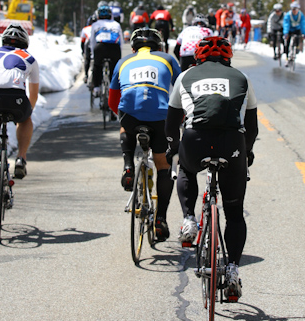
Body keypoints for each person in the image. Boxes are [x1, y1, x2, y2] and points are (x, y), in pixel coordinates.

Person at [165, 35, 258, 301]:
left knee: (185, 170)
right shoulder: (241, 77)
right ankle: (232, 271)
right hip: (232, 143)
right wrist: (246, 153)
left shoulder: (185, 76)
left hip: (195, 140)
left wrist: (173, 149)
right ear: (228, 58)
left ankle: (189, 220)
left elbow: (171, 124)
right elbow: (251, 126)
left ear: (198, 57)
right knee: (234, 212)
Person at [108, 27, 181, 241]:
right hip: (161, 117)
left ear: (133, 47)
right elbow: (181, 90)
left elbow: (113, 99)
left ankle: (128, 166)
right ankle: (161, 219)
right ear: (160, 47)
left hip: (130, 116)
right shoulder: (168, 59)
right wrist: (179, 120)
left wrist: (123, 116)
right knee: (163, 166)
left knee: (125, 125)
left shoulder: (123, 62)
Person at [0, 22, 39, 220]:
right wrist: (25, 115)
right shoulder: (29, 58)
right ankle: (21, 157)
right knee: (26, 119)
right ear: (24, 43)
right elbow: (33, 94)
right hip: (17, 99)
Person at [90, 5, 123, 96]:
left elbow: (92, 41)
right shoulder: (116, 24)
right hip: (114, 48)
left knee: (97, 66)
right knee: (115, 69)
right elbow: (121, 40)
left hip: (100, 46)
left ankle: (96, 88)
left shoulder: (95, 24)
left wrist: (93, 55)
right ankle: (115, 89)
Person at [80, 15, 95, 83]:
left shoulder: (85, 28)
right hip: (97, 44)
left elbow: (82, 42)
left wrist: (83, 51)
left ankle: (86, 75)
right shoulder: (99, 26)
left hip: (88, 44)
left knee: (87, 59)